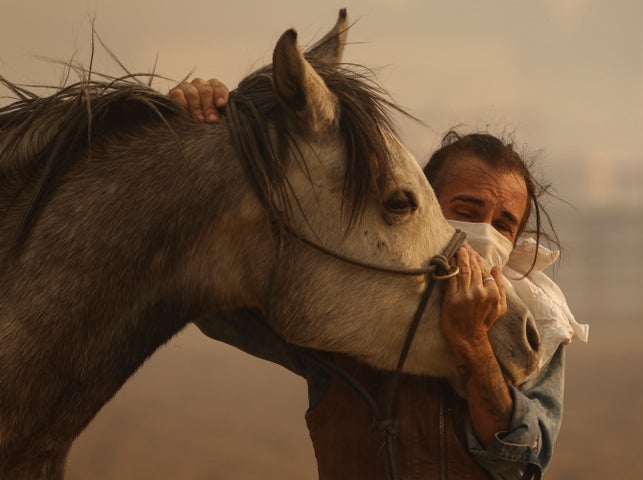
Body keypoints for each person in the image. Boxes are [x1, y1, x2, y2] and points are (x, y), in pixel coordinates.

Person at [169, 78, 579, 479]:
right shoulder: (354, 301)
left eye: (503, 225)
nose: (485, 233)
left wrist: (473, 343)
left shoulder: (535, 325)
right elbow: (210, 299)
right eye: (467, 211)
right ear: (426, 209)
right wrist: (191, 137)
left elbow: (519, 462)